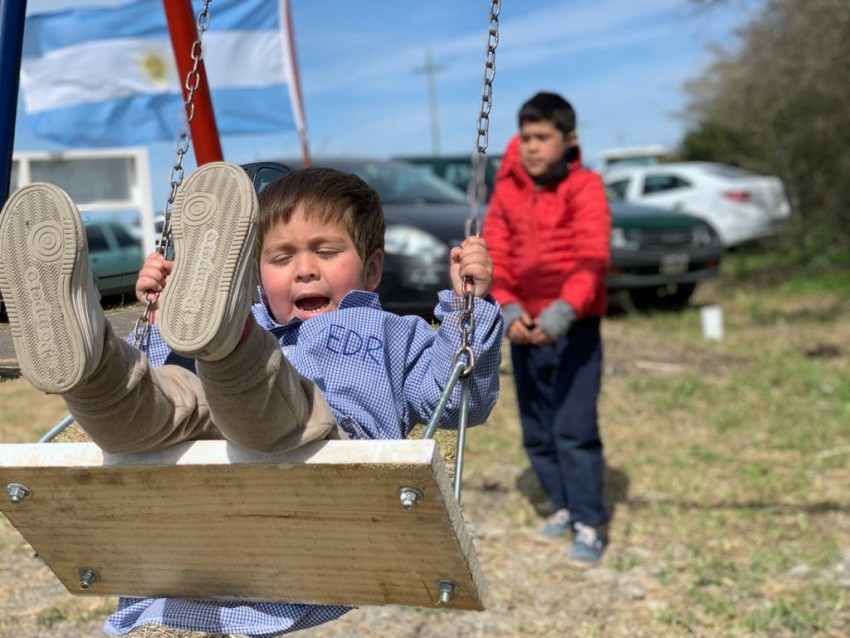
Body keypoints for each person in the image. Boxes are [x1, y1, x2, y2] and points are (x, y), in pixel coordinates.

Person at [0, 162, 503, 636]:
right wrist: (159, 321)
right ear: (258, 275)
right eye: (281, 258)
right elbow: (167, 391)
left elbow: (459, 401)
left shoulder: (396, 333)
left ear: (372, 270)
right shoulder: (262, 321)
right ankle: (89, 362)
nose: (304, 270)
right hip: (215, 446)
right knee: (158, 403)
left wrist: (470, 308)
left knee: (262, 389)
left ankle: (224, 338)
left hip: (321, 450)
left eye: (326, 252)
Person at [481, 91, 611, 568]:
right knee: (537, 430)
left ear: (568, 139)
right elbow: (498, 254)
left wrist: (563, 312)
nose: (532, 147)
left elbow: (591, 258)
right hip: (524, 328)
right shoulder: (506, 190)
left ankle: (588, 522)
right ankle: (560, 505)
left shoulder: (587, 187)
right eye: (526, 136)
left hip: (573, 326)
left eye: (543, 137)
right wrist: (510, 308)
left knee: (574, 429)